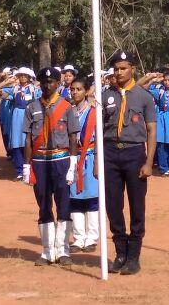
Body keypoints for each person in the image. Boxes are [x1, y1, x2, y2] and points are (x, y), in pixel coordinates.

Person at [101, 50, 157, 275]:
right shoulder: (106, 97)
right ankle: (120, 252)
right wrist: (98, 160)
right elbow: (97, 129)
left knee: (136, 205)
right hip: (110, 153)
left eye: (123, 68)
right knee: (113, 206)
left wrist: (149, 162)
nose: (119, 72)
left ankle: (134, 255)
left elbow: (152, 130)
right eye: (116, 68)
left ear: (132, 69)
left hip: (134, 153)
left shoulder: (144, 96)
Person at [22, 67, 80, 267]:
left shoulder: (66, 106)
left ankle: (63, 250)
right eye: (44, 82)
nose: (48, 86)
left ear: (58, 83)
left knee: (63, 203)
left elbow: (73, 137)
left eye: (52, 82)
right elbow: (28, 138)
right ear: (39, 83)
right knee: (43, 205)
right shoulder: (32, 107)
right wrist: (26, 165)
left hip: (61, 159)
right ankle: (47, 251)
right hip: (39, 161)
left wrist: (73, 163)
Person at [68, 77, 100, 251]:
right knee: (75, 197)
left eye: (79, 89)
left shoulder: (94, 112)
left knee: (92, 198)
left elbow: (98, 140)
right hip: (74, 158)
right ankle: (79, 237)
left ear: (87, 91)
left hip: (89, 157)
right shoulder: (69, 112)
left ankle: (92, 237)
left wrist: (96, 160)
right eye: (72, 89)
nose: (75, 92)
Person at [143, 69, 169, 176]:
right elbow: (144, 89)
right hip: (161, 116)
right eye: (165, 80)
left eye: (168, 80)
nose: (166, 82)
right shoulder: (159, 91)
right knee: (161, 143)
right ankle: (164, 168)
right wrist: (152, 80)